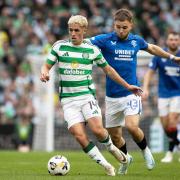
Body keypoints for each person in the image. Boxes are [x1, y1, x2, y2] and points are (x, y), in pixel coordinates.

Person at [40, 15, 142, 176]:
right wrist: (44, 73)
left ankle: (113, 149)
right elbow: (46, 66)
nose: (73, 33)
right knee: (79, 136)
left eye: (76, 30)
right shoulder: (59, 47)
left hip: (87, 97)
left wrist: (128, 86)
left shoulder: (92, 49)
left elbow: (109, 70)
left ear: (84, 31)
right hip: (68, 101)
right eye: (71, 30)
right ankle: (107, 165)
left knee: (99, 131)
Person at [89, 8, 180, 175]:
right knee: (115, 137)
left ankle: (146, 151)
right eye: (118, 27)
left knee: (131, 126)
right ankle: (126, 159)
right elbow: (85, 43)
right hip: (112, 97)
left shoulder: (136, 41)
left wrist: (172, 58)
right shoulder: (105, 40)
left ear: (131, 25)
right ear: (113, 25)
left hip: (132, 92)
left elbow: (152, 48)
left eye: (124, 27)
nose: (121, 30)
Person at [143, 32, 180, 163]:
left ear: (179, 41)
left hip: (178, 94)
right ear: (167, 41)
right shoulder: (159, 55)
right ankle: (178, 143)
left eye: (176, 39)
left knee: (172, 120)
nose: (174, 42)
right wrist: (146, 88)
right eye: (171, 39)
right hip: (163, 95)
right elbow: (149, 73)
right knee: (165, 125)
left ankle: (170, 153)